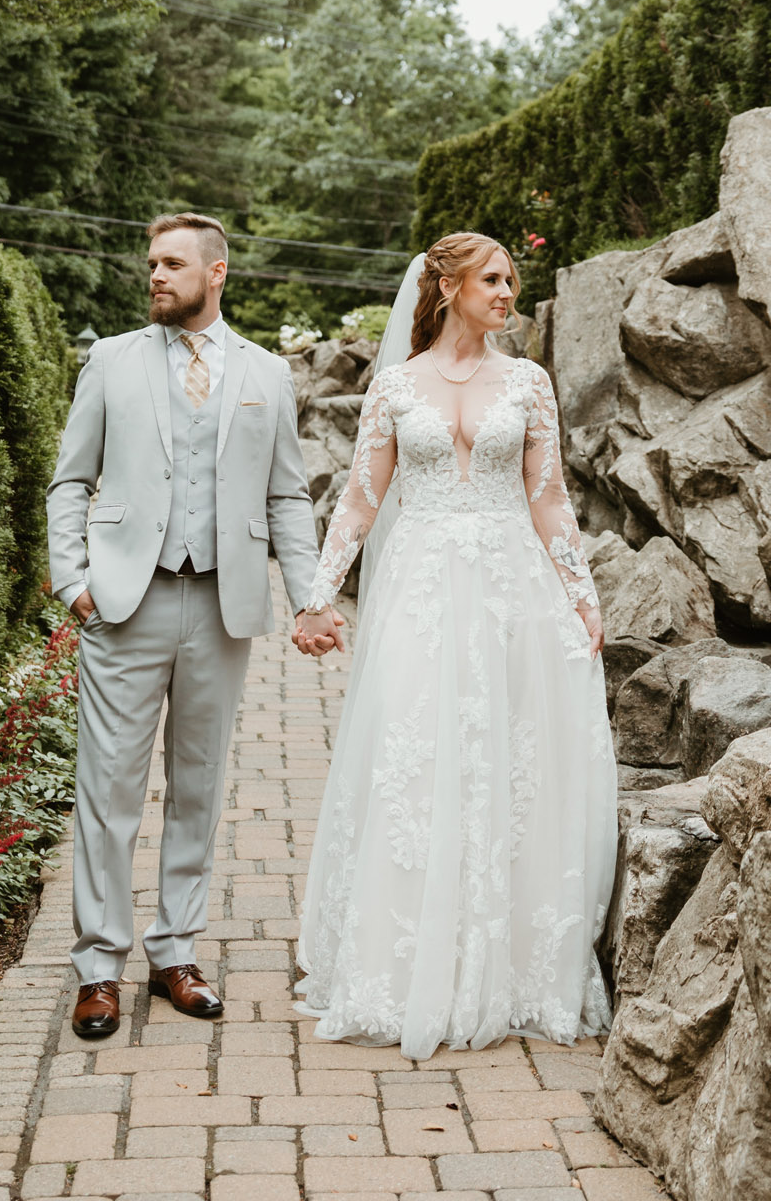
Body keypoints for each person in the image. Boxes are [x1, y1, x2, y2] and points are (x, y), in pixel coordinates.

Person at [294, 231, 617, 1058]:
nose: (507, 293)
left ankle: (506, 965)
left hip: (514, 591)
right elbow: (360, 502)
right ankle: (406, 964)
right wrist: (318, 596)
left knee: (511, 760)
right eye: (492, 279)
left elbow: (549, 499)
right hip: (422, 592)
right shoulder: (395, 386)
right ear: (446, 287)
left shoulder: (529, 383)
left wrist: (581, 598)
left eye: (511, 280)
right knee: (415, 757)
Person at [46, 212, 341, 1039]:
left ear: (216, 273)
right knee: (108, 791)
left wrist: (310, 595)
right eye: (151, 263)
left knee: (198, 786)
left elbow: (286, 494)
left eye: (173, 264)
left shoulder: (266, 373)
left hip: (220, 606)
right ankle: (98, 966)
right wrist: (73, 582)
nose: (155, 276)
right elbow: (69, 480)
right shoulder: (111, 360)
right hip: (125, 603)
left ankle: (175, 951)